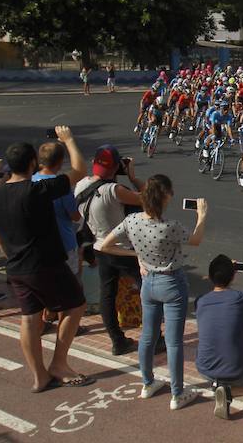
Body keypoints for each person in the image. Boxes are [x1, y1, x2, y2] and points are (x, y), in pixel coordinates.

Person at [0, 127, 95, 392]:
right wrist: (69, 140)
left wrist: (7, 252)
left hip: (16, 267)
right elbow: (80, 171)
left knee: (30, 318)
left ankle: (39, 376)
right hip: (45, 263)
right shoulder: (37, 189)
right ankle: (59, 363)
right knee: (75, 306)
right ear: (32, 164)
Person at [99, 175, 207, 410]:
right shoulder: (170, 227)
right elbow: (196, 240)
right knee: (174, 341)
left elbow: (105, 245)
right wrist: (202, 215)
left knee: (147, 336)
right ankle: (177, 394)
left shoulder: (132, 221)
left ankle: (148, 382)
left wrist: (136, 255)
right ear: (165, 197)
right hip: (172, 283)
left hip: (148, 282)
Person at [75, 145, 152, 356]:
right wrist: (133, 176)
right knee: (149, 291)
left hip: (100, 246)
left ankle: (117, 341)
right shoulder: (114, 190)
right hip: (125, 249)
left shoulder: (81, 185)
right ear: (117, 166)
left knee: (107, 294)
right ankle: (155, 339)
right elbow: (149, 199)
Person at [195, 255, 243, 420]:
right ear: (233, 276)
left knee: (221, 372)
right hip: (238, 369)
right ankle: (231, 391)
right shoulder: (242, 298)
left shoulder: (201, 301)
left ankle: (219, 386)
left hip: (205, 368)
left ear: (211, 276)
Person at [32, 142, 83, 332]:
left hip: (39, 242)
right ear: (60, 162)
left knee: (44, 282)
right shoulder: (61, 186)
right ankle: (67, 325)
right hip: (64, 241)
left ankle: (45, 318)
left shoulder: (31, 181)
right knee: (67, 287)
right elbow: (75, 216)